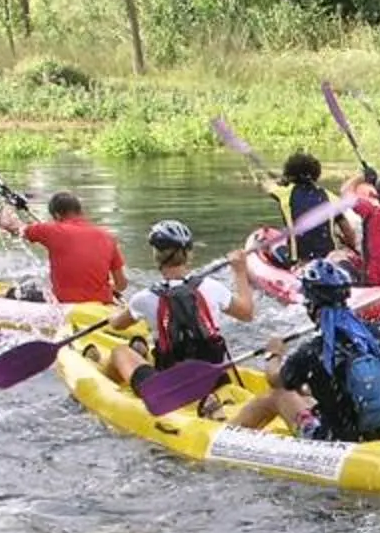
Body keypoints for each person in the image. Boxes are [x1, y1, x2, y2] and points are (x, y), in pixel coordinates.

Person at [229, 255, 380, 441]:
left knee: (277, 396)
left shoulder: (311, 351)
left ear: (310, 306)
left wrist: (273, 353)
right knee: (305, 391)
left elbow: (275, 380)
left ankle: (223, 436)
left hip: (337, 439)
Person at [102, 221, 259, 391]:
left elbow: (117, 325)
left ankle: (110, 389)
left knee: (120, 352)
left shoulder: (144, 298)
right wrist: (240, 271)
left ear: (156, 255)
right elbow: (247, 313)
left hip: (170, 384)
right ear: (189, 255)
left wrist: (112, 316)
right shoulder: (211, 287)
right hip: (213, 377)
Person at [21, 192, 128, 306]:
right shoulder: (108, 237)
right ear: (80, 211)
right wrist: (109, 287)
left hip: (66, 305)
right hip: (102, 304)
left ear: (57, 216)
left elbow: (20, 230)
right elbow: (121, 284)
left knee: (16, 292)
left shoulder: (50, 230)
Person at [271, 151, 347, 265]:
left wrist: (283, 180)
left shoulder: (284, 193)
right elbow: (349, 232)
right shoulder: (331, 198)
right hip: (330, 262)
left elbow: (267, 186)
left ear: (289, 174)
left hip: (300, 263)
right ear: (317, 173)